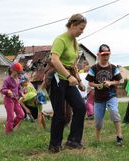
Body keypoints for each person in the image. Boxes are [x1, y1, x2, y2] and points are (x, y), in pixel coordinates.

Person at [48, 13, 87, 153]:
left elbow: (72, 64)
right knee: (60, 113)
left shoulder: (75, 42)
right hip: (57, 79)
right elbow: (55, 60)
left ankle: (73, 141)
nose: (82, 32)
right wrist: (69, 76)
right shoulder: (61, 40)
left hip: (69, 80)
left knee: (81, 107)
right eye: (80, 28)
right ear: (72, 25)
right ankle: (54, 145)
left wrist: (78, 80)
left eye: (83, 29)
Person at [86, 44, 123, 145]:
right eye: (103, 55)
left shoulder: (113, 68)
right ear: (98, 55)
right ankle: (98, 140)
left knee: (114, 112)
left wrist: (110, 83)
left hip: (111, 95)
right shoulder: (94, 68)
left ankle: (119, 137)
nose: (106, 57)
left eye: (107, 54)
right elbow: (90, 82)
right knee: (98, 120)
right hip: (98, 98)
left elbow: (119, 81)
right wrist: (97, 85)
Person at [1, 63, 25, 134]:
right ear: (12, 70)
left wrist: (21, 93)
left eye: (19, 72)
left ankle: (9, 128)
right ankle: (8, 132)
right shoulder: (7, 80)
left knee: (21, 115)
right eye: (18, 72)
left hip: (16, 100)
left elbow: (18, 88)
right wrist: (7, 91)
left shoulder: (18, 78)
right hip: (9, 100)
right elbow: (3, 89)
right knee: (10, 117)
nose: (19, 74)